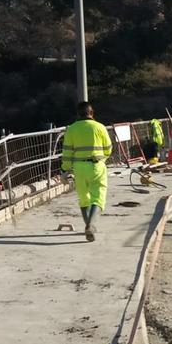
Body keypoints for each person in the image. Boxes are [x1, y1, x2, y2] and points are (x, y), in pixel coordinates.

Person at [61, 101, 112, 242]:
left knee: (84, 198)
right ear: (92, 113)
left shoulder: (71, 129)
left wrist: (64, 169)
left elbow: (67, 152)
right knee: (98, 196)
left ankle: (87, 225)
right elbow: (108, 148)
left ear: (78, 114)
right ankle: (91, 224)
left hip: (78, 167)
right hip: (96, 165)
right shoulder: (100, 127)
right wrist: (102, 158)